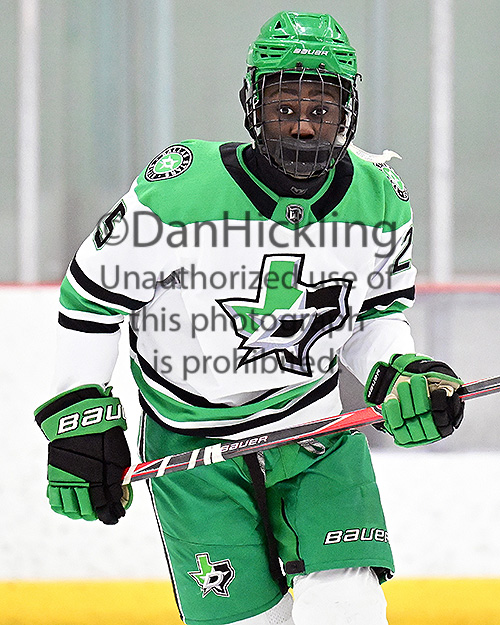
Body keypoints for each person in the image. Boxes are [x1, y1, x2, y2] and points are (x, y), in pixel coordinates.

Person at [35, 11, 465, 625]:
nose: (303, 125)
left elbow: (372, 317)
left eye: (320, 109)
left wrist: (398, 371)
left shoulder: (379, 200)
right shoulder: (179, 194)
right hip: (193, 442)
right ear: (253, 105)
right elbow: (92, 299)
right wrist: (80, 413)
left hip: (314, 429)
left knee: (349, 608)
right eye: (285, 107)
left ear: (348, 112)